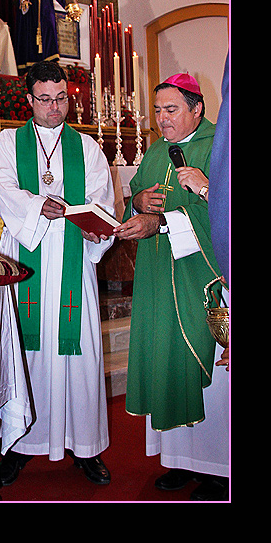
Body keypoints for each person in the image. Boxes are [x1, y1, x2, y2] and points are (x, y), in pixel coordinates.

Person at [0, 61, 115, 486]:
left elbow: (103, 200)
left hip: (73, 260)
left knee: (78, 355)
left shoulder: (89, 148)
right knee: (25, 355)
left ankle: (85, 448)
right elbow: (2, 187)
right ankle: (20, 444)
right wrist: (35, 206)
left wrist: (98, 227)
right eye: (44, 99)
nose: (54, 107)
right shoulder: (7, 143)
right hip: (27, 257)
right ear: (29, 100)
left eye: (61, 98)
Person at [114, 73, 229, 501]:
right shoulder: (156, 151)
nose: (162, 120)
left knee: (208, 370)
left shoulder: (221, 145)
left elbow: (222, 216)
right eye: (158, 111)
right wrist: (138, 203)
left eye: (171, 110)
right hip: (158, 278)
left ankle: (219, 467)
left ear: (196, 108)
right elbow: (138, 197)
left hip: (201, 279)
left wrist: (161, 219)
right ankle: (180, 461)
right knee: (165, 359)